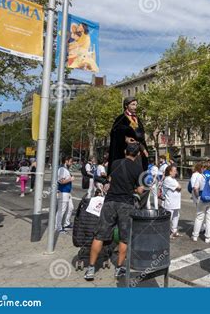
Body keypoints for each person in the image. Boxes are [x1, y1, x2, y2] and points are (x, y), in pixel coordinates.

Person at [85, 143, 144, 281]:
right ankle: (119, 268)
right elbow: (140, 190)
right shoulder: (138, 168)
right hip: (126, 204)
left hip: (110, 202)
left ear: (125, 151)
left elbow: (110, 180)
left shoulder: (115, 163)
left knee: (99, 235)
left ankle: (91, 268)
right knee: (124, 237)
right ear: (138, 154)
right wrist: (134, 189)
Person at [108, 97, 149, 174]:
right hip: (125, 151)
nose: (135, 107)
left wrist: (143, 147)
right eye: (133, 105)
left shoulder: (137, 119)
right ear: (126, 105)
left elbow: (141, 135)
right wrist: (125, 138)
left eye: (136, 105)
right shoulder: (120, 118)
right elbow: (115, 132)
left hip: (138, 150)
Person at [192, 162, 210, 243]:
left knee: (199, 217)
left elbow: (195, 188)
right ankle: (208, 237)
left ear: (203, 168)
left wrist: (198, 196)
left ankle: (195, 236)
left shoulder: (200, 176)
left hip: (201, 197)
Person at [55, 156, 75, 233]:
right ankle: (58, 227)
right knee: (61, 210)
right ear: (66, 161)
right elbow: (61, 181)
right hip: (63, 192)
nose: (71, 163)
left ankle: (66, 224)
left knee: (71, 207)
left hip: (67, 192)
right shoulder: (62, 169)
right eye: (70, 161)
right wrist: (70, 179)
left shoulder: (65, 169)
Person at [162, 165, 182, 239]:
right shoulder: (168, 179)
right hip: (169, 203)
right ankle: (166, 233)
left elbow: (179, 187)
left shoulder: (173, 179)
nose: (176, 172)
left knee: (176, 216)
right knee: (169, 218)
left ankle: (174, 231)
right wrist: (178, 187)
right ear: (170, 172)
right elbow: (179, 187)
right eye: (174, 171)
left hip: (175, 202)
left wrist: (178, 187)